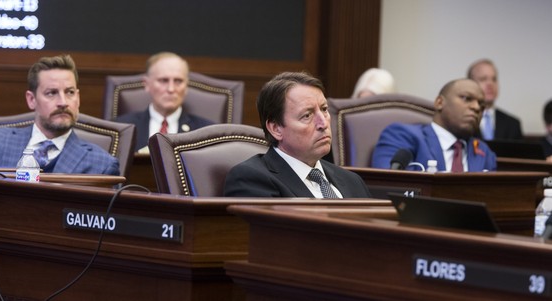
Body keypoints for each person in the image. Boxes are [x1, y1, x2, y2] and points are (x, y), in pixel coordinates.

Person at [224, 71, 371, 198]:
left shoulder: (353, 181)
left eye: (324, 109)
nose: (323, 123)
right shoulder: (252, 179)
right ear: (276, 129)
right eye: (307, 115)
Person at [0, 54, 120, 175]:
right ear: (31, 99)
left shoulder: (102, 165)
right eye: (51, 93)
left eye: (70, 92)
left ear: (78, 98)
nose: (63, 102)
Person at [371, 78, 497, 172]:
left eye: (481, 105)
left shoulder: (484, 152)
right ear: (439, 102)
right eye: (466, 98)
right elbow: (389, 185)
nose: (476, 107)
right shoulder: (401, 136)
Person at [115, 52, 214, 152]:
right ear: (147, 84)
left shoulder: (206, 133)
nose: (171, 89)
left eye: (178, 81)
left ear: (186, 86)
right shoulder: (121, 128)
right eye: (163, 80)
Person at [467, 59, 523, 140]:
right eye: (483, 79)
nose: (490, 84)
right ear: (469, 84)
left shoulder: (513, 124)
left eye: (494, 79)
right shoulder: (461, 121)